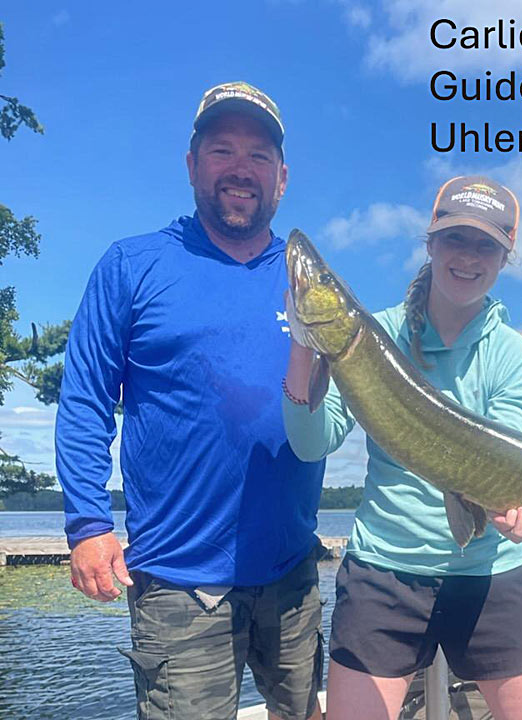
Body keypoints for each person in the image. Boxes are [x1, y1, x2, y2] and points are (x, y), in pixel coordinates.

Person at [56, 82, 325, 720]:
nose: (241, 169)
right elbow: (85, 400)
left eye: (259, 156)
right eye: (222, 150)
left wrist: (504, 336)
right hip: (179, 581)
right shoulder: (133, 266)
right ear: (191, 164)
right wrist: (89, 525)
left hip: (292, 572)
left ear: (282, 177)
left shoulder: (307, 279)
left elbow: (383, 353)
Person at [282, 176, 522, 720]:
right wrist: (304, 344)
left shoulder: (514, 355)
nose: (467, 257)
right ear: (430, 242)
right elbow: (309, 443)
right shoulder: (372, 335)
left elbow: (502, 461)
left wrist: (517, 512)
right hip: (385, 573)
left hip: (496, 571)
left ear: (505, 257)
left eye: (485, 245)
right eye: (454, 238)